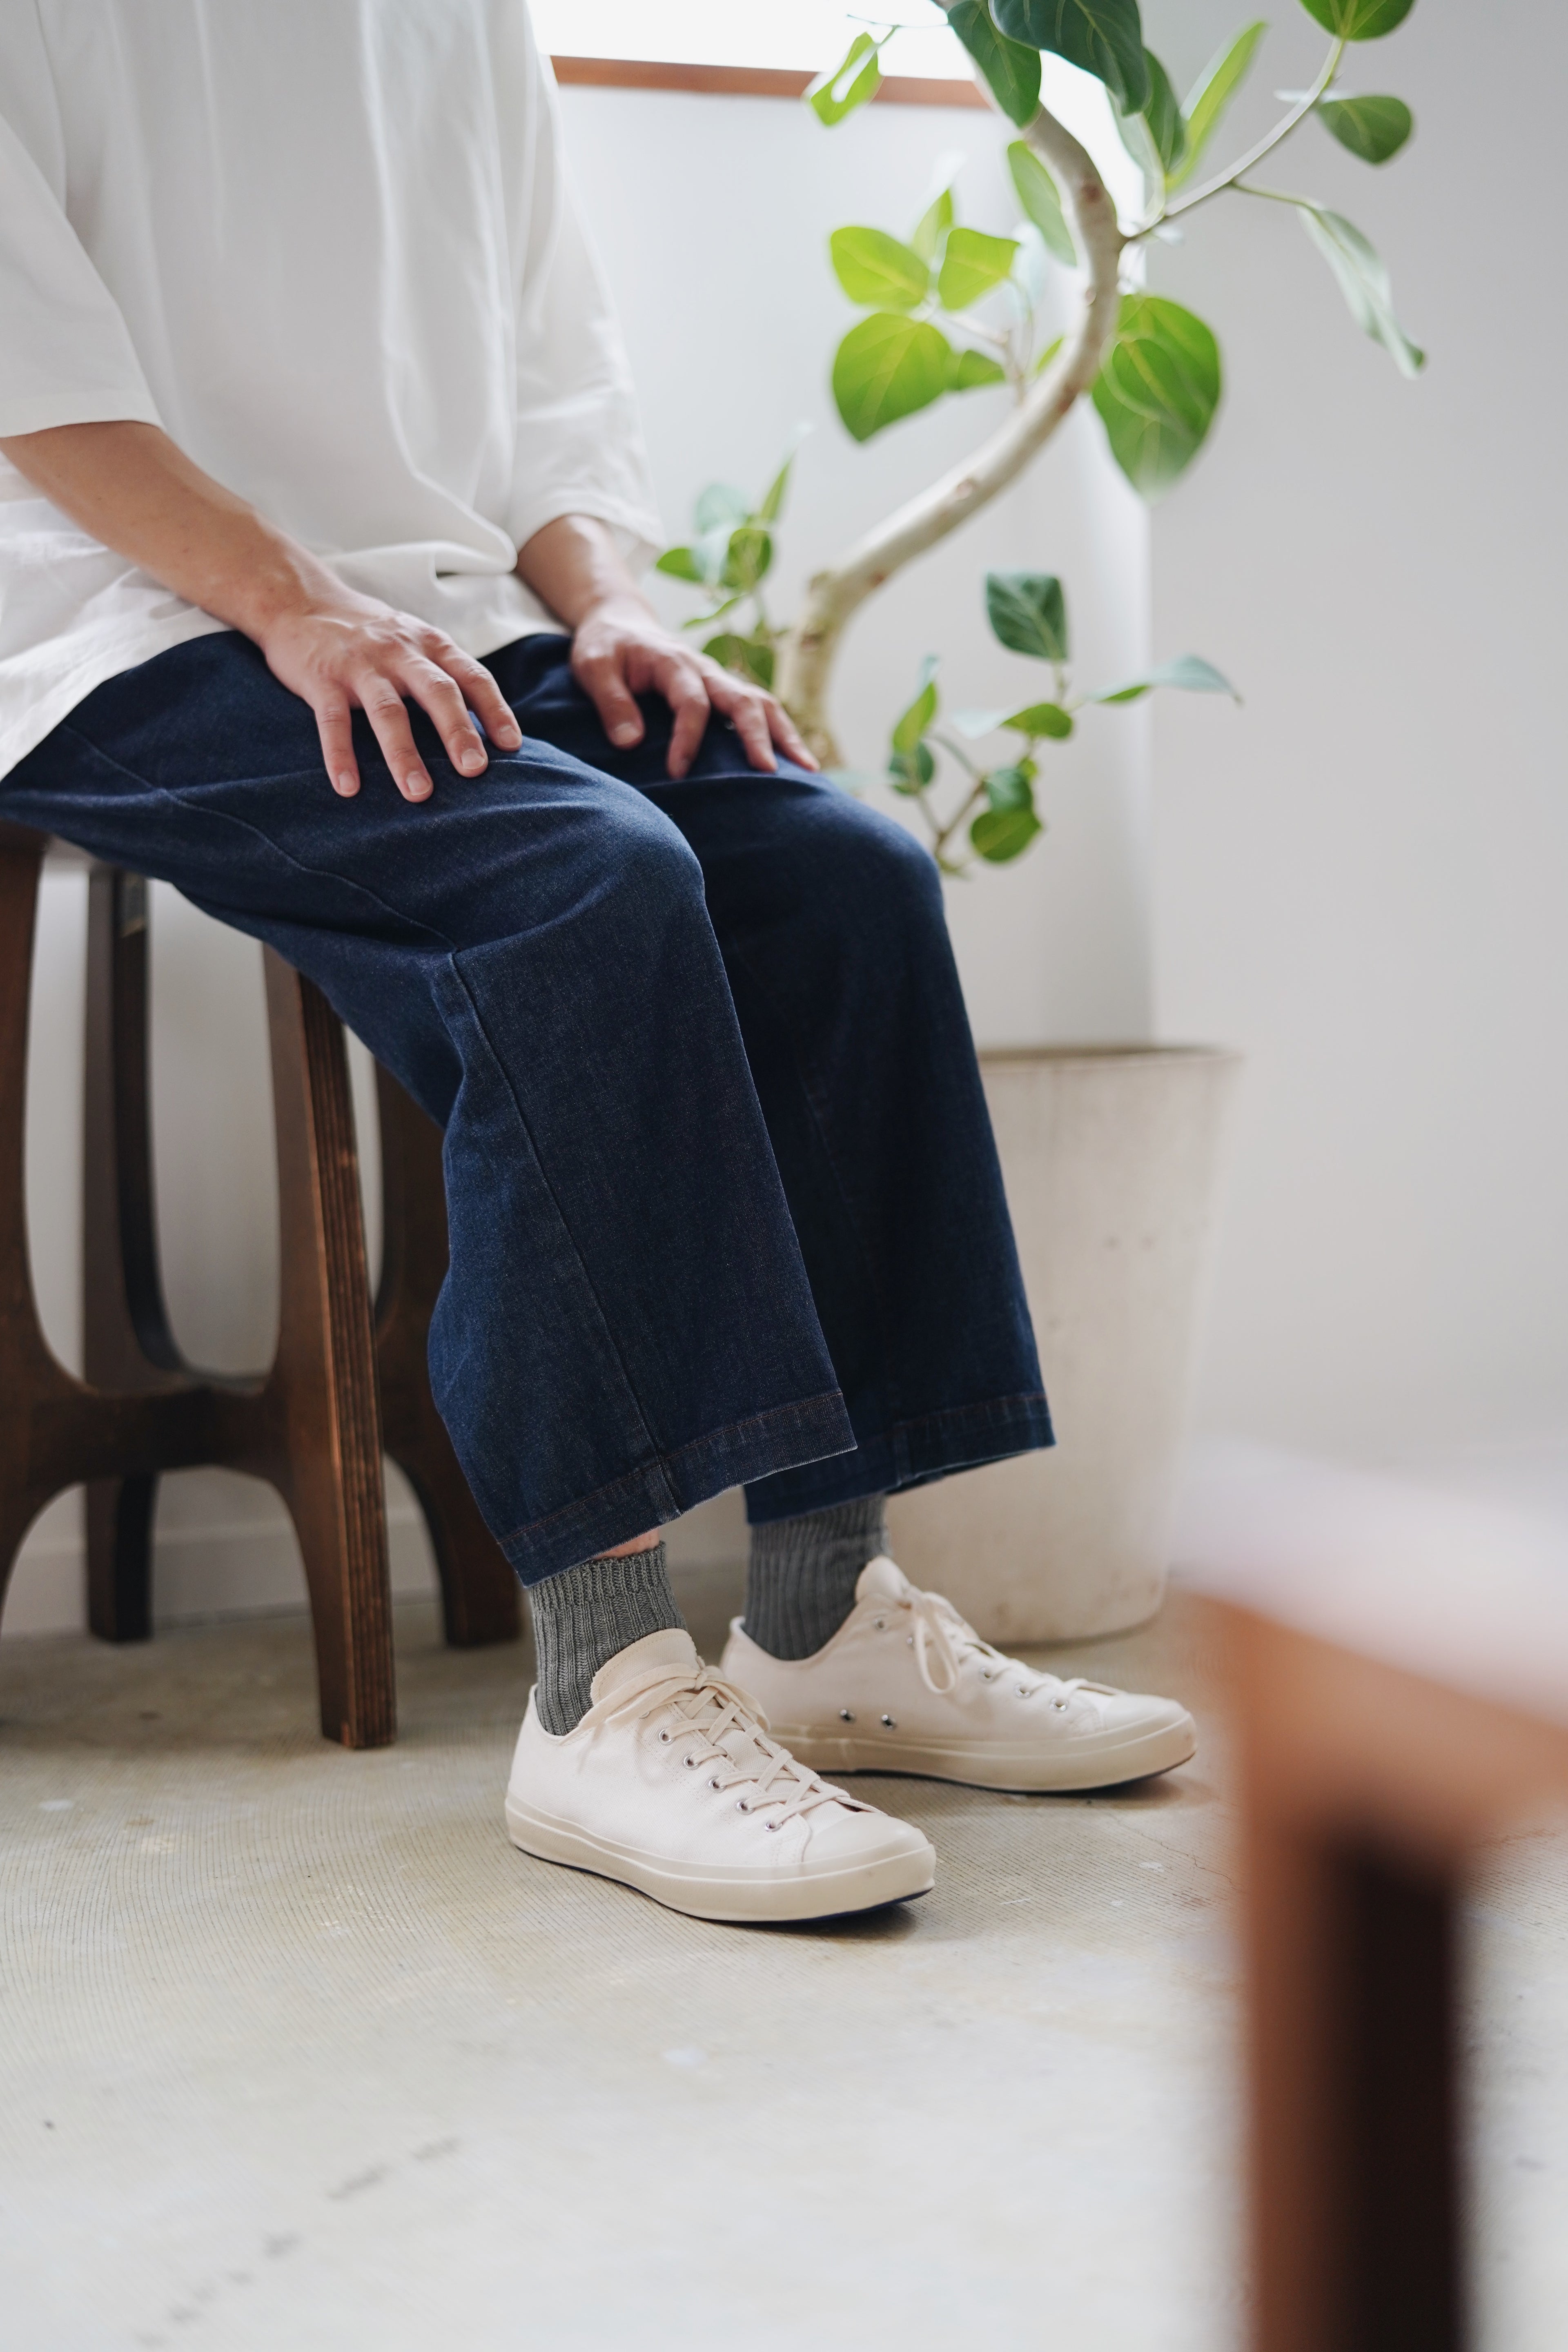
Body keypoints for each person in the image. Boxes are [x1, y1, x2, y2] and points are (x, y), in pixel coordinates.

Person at [0, 1, 1194, 1925]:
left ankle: (824, 1624)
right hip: (101, 619)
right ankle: (603, 1685)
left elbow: (552, 375)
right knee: (584, 884)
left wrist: (617, 606)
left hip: (440, 603)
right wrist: (291, 601)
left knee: (837, 871)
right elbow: (25, 361)